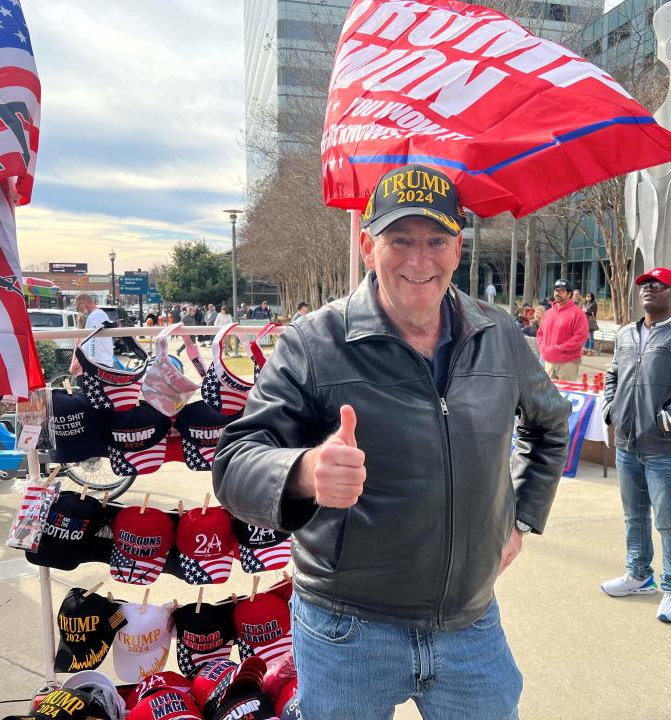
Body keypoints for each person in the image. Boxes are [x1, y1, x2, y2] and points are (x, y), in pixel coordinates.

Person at [213, 163, 570, 720]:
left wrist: (520, 517)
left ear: (459, 248)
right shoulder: (314, 341)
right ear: (366, 245)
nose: (418, 260)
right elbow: (235, 461)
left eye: (436, 241)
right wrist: (306, 471)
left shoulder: (498, 334)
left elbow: (550, 424)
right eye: (399, 240)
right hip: (347, 630)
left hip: (470, 623)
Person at [601, 267, 671, 624]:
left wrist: (668, 418)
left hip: (665, 447)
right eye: (644, 285)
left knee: (667, 519)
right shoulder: (626, 334)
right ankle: (639, 575)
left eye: (659, 285)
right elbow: (612, 373)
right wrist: (611, 409)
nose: (649, 289)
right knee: (632, 514)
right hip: (627, 443)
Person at [536, 278, 589, 381]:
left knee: (564, 395)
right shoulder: (548, 313)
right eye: (556, 290)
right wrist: (542, 347)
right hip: (548, 362)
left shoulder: (577, 314)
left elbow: (580, 337)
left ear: (569, 294)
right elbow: (540, 334)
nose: (558, 293)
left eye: (562, 291)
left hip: (567, 363)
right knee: (547, 396)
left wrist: (560, 348)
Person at [74, 293, 113, 367]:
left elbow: (92, 341)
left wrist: (84, 359)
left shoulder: (95, 316)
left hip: (98, 362)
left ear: (83, 303)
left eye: (78, 306)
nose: (78, 310)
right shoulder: (99, 314)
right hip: (101, 361)